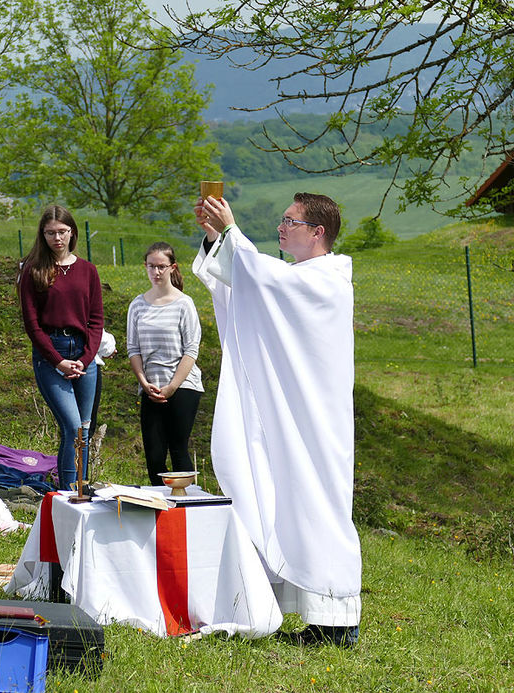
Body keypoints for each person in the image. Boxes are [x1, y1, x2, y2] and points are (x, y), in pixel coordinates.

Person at [193, 192, 361, 647]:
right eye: (282, 219)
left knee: (317, 505)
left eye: (291, 221)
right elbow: (255, 286)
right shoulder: (296, 276)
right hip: (294, 416)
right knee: (285, 501)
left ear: (317, 232)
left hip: (318, 424)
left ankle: (338, 622)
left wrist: (231, 234)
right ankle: (309, 616)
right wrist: (218, 239)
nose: (282, 227)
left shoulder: (328, 281)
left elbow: (265, 282)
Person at [19, 205, 103, 491]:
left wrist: (85, 358)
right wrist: (57, 361)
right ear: (42, 235)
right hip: (50, 353)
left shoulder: (88, 271)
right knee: (73, 426)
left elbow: (96, 319)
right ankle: (70, 490)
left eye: (62, 232)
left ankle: (81, 487)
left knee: (85, 429)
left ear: (72, 233)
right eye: (51, 233)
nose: (57, 238)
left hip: (84, 353)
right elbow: (32, 325)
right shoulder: (34, 271)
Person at [127, 242, 204, 483]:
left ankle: (188, 509)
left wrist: (172, 386)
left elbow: (191, 350)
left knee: (178, 448)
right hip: (151, 387)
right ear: (145, 267)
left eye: (161, 267)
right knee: (154, 455)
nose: (156, 272)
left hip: (182, 385)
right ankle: (160, 511)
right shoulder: (137, 305)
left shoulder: (184, 304)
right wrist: (144, 382)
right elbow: (134, 349)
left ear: (172, 267)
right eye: (152, 267)